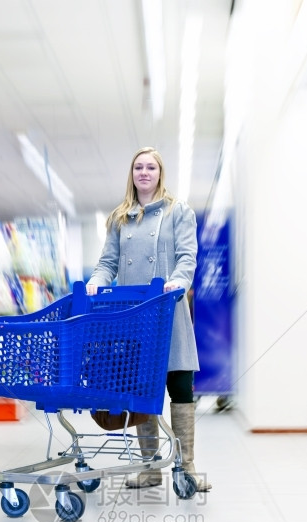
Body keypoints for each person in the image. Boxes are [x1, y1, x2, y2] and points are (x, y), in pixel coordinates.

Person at [86, 146, 211, 491]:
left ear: (160, 173)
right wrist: (96, 283)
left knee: (180, 388)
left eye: (151, 167)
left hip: (170, 310)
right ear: (132, 174)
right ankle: (151, 468)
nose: (144, 172)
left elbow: (188, 256)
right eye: (138, 167)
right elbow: (107, 264)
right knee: (143, 391)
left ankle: (187, 467)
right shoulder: (119, 218)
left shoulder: (178, 211)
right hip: (135, 317)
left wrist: (180, 282)